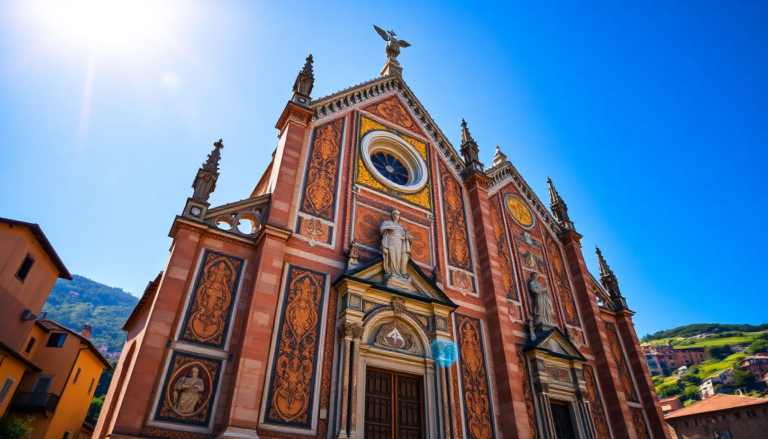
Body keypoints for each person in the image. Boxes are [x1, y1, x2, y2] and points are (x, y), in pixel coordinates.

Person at [380, 210, 412, 278]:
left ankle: (398, 273)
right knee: (392, 257)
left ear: (399, 216)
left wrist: (407, 237)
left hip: (399, 244)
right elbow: (381, 229)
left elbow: (403, 236)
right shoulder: (387, 223)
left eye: (397, 214)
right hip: (391, 243)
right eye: (394, 214)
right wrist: (388, 227)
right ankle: (393, 271)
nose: (396, 216)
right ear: (392, 215)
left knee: (398, 258)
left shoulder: (401, 228)